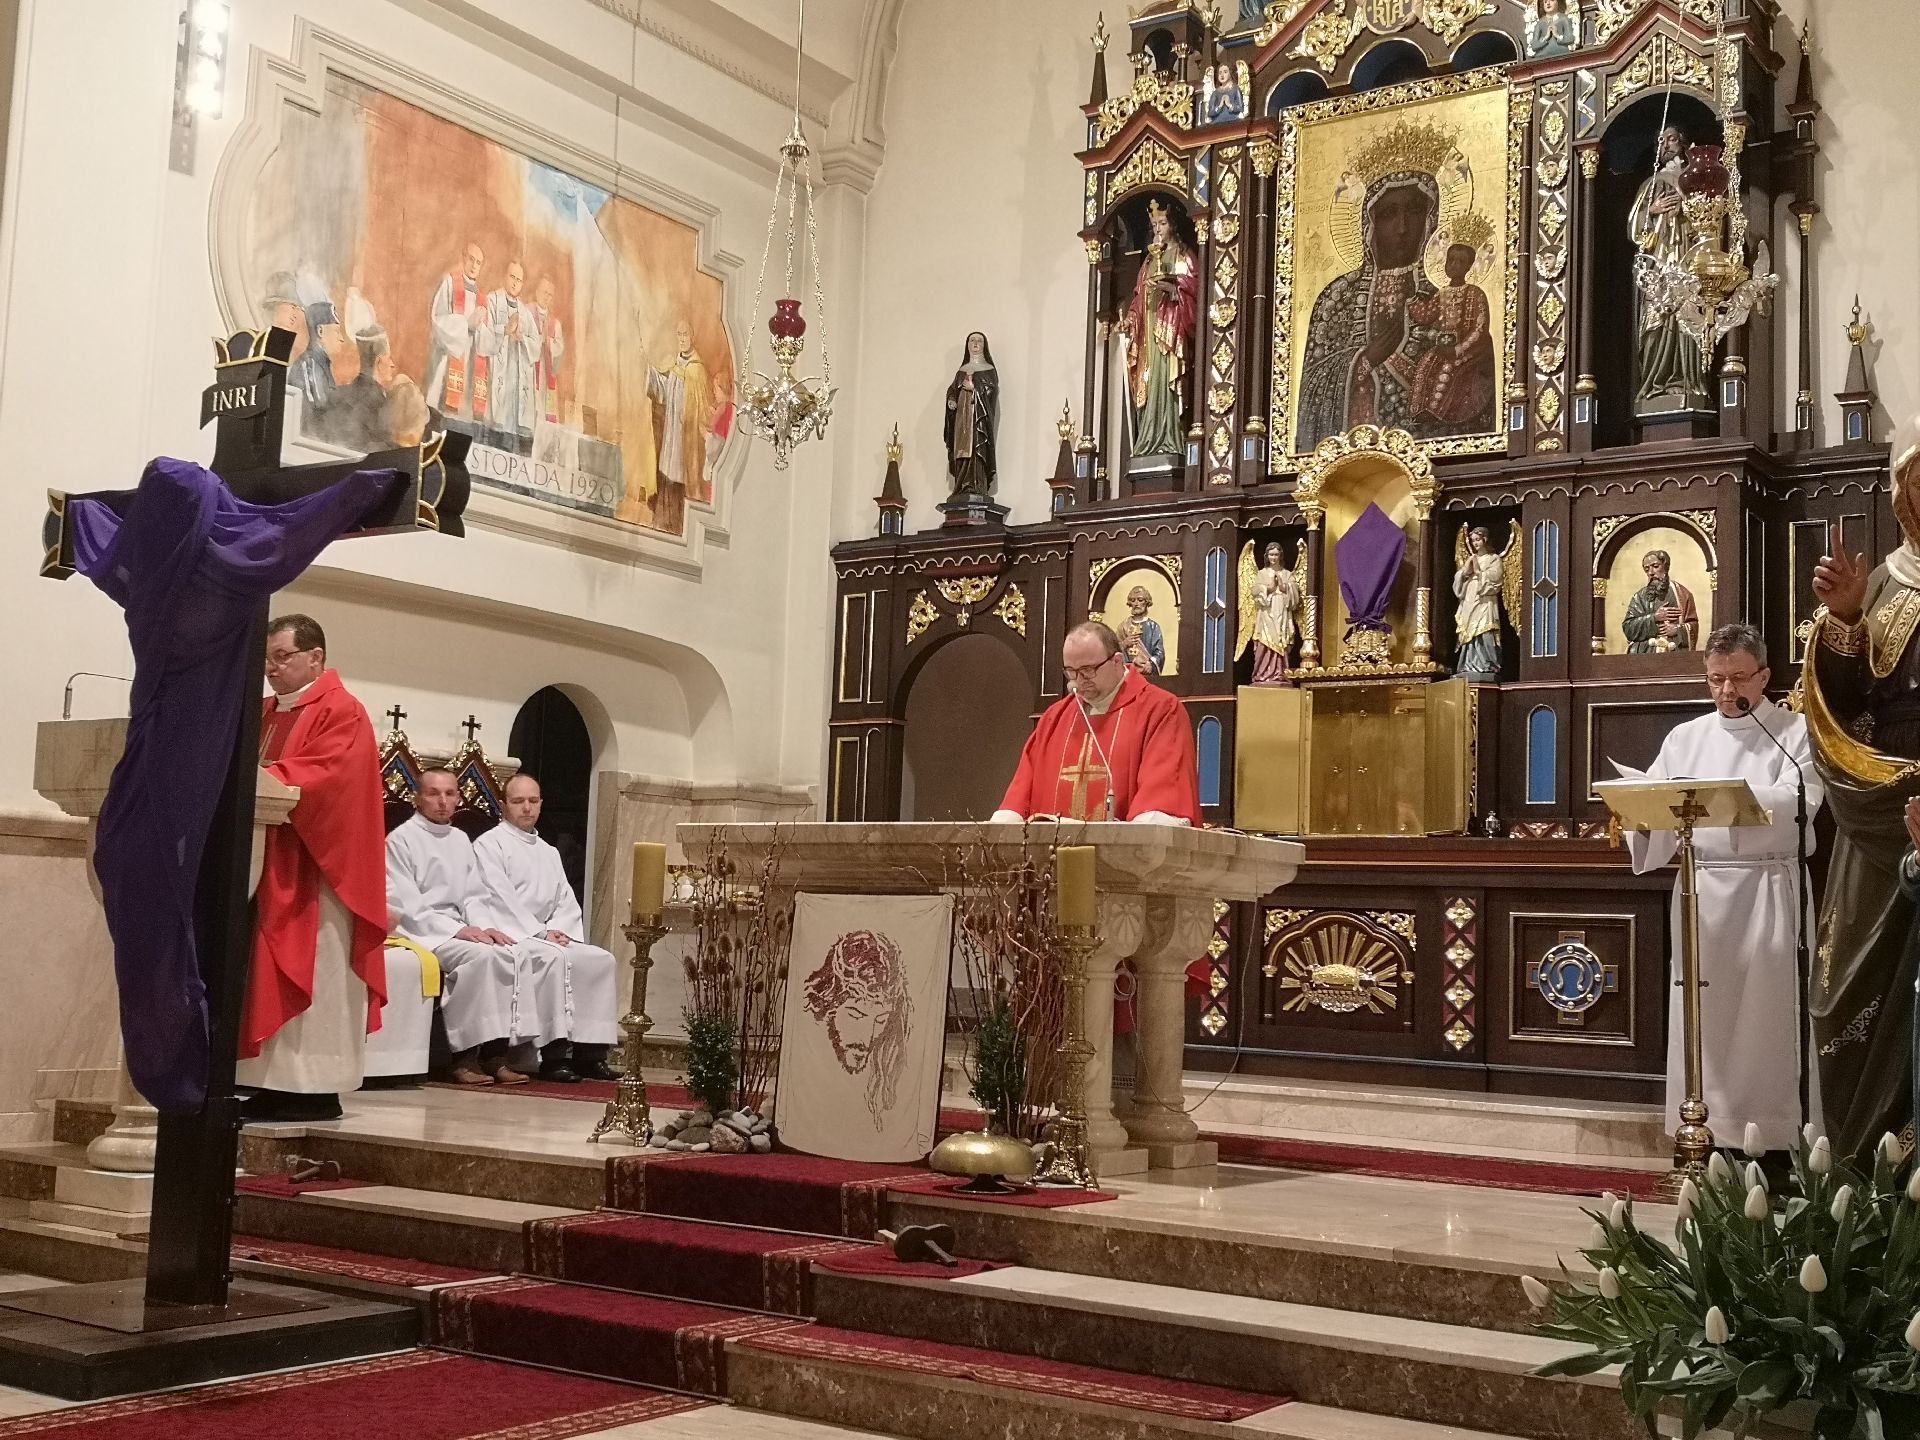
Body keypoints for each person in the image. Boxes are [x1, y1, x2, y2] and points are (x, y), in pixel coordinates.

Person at [1623, 624, 1822, 1162]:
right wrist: (1638, 812)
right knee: (1702, 1015)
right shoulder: (1685, 738)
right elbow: (1657, 807)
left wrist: (1726, 799)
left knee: (1767, 1019)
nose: (1727, 690)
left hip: (1766, 889)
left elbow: (1802, 803)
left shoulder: (1794, 733)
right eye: (1715, 679)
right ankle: (1704, 1130)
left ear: (1764, 676)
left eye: (1738, 677)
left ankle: (1774, 1141)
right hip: (1701, 893)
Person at [1803, 437, 1920, 1155]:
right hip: (1884, 806)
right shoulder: (1881, 584)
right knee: (1847, 986)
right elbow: (1840, 708)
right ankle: (1872, 1163)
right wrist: (1846, 621)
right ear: (1903, 496)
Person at [237, 615, 389, 1124]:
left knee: (320, 970)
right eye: (267, 659)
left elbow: (329, 774)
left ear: (315, 657)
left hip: (320, 873)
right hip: (269, 863)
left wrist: (264, 777)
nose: (271, 668)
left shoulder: (342, 710)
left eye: (282, 657)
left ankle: (313, 1089)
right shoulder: (262, 712)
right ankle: (270, 1084)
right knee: (261, 968)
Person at [386, 768, 565, 1085]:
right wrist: (457, 930)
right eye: (433, 793)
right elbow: (407, 902)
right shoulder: (400, 840)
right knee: (481, 958)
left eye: (450, 794)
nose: (443, 801)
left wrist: (484, 927)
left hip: (459, 928)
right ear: (417, 797)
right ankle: (462, 1058)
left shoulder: (459, 839)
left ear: (458, 798)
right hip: (423, 931)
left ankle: (495, 1056)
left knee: (512, 952)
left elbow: (474, 894)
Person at [470, 774, 619, 1083]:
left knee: (599, 960)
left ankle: (590, 1055)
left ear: (541, 804)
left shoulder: (548, 851)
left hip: (546, 933)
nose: (526, 808)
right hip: (511, 933)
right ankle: (554, 1056)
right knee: (553, 958)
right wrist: (540, 933)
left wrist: (560, 930)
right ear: (503, 805)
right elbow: (499, 897)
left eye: (533, 801)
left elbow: (564, 898)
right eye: (518, 801)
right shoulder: (489, 844)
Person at [992, 620, 1200, 824]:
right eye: (1071, 671)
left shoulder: (1160, 710)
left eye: (1088, 670)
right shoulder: (1054, 718)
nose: (1079, 680)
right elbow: (1021, 792)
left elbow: (1163, 793)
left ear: (1117, 661)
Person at [1630, 125, 1708, 409]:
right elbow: (1634, 229)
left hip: (1688, 263)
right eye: (1661, 140)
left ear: (1683, 142)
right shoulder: (1651, 184)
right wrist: (1651, 211)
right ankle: (1654, 382)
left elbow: (1711, 222)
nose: (1666, 144)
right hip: (1659, 266)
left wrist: (1686, 207)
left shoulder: (1696, 180)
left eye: (1672, 138)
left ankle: (1688, 380)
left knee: (1689, 320)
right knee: (1656, 323)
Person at [1120, 199, 1197, 459]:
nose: (1158, 229)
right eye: (1154, 225)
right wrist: (1129, 320)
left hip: (1171, 331)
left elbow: (1195, 291)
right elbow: (1138, 299)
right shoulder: (1148, 262)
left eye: (1162, 223)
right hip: (1148, 335)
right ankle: (1149, 438)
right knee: (1149, 380)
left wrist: (1174, 289)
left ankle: (1169, 436)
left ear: (1173, 224)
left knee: (1166, 381)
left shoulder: (1184, 256)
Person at [1407, 242, 1494, 427]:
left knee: (1449, 369)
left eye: (1460, 262)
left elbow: (1480, 327)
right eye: (1451, 260)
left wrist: (1458, 349)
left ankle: (1438, 414)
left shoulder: (1475, 293)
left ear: (1469, 266)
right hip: (1444, 346)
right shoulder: (1443, 293)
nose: (1454, 265)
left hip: (1472, 349)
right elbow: (1426, 314)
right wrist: (1412, 299)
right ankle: (1419, 412)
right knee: (1425, 365)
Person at [648, 319, 717, 530]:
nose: (682, 339)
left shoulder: (697, 370)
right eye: (679, 335)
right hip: (672, 432)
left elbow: (702, 406)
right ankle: (664, 519)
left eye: (685, 334)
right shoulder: (676, 364)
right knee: (668, 473)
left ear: (692, 336)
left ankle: (678, 523)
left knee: (680, 475)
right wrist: (650, 372)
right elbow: (665, 392)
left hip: (686, 436)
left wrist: (690, 420)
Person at [427, 241, 495, 437]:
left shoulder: (483, 299)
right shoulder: (449, 284)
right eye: (471, 259)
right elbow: (437, 320)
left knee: (464, 425)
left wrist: (479, 329)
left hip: (471, 368)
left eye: (479, 262)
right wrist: (465, 324)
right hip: (448, 363)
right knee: (442, 424)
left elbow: (487, 341)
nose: (474, 265)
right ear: (463, 258)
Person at [943, 331, 999, 497]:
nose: (975, 343)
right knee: (961, 451)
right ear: (967, 346)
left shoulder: (989, 370)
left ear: (984, 346)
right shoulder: (961, 371)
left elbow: (991, 391)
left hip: (978, 420)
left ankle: (977, 485)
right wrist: (951, 400)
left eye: (979, 341)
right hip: (962, 421)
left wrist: (975, 389)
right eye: (972, 340)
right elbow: (952, 390)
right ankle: (961, 485)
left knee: (976, 450)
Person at [1452, 526, 1505, 680]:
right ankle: (1468, 664)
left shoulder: (1493, 558)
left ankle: (1487, 664)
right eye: (1473, 540)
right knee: (1468, 630)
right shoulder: (1471, 558)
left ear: (1485, 540)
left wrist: (1479, 572)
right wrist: (1464, 572)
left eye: (1478, 540)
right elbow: (1458, 582)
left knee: (1484, 630)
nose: (1475, 543)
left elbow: (1496, 579)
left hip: (1485, 600)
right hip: (1470, 598)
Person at [1623, 549, 1698, 653]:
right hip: (1646, 653)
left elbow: (1693, 625)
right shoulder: (1639, 597)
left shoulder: (1683, 594)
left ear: (1665, 567)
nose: (1651, 572)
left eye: (1655, 566)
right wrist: (1654, 618)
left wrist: (1677, 630)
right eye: (1647, 569)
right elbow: (1628, 628)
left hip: (1674, 652)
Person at [1247, 541, 1300, 685]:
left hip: (1282, 612)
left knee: (1282, 641)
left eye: (1276, 554)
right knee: (1265, 642)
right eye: (1271, 555)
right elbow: (1254, 592)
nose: (1274, 558)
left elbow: (1295, 598)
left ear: (1280, 556)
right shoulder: (1261, 573)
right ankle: (1263, 673)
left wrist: (1284, 587)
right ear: (1267, 556)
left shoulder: (1287, 574)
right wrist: (1268, 588)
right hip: (1266, 613)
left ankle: (1280, 673)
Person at [528, 275, 566, 428]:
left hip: (545, 373)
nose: (547, 297)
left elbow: (559, 348)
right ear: (537, 291)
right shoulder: (526, 312)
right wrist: (539, 340)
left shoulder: (555, 323)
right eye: (545, 292)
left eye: (550, 294)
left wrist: (548, 342)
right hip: (529, 370)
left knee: (543, 411)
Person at [1116, 585, 1166, 675]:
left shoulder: (1153, 627)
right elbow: (1114, 651)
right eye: (1133, 600)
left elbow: (1159, 653)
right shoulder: (1123, 626)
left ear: (1147, 602)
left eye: (1140, 600)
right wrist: (1124, 644)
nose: (1136, 604)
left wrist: (1150, 664)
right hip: (1128, 673)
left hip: (1147, 673)